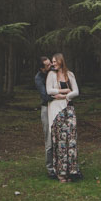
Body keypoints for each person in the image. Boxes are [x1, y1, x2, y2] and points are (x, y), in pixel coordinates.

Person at [46, 52, 80, 182]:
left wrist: (66, 96)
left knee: (71, 140)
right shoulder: (51, 75)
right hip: (56, 110)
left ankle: (71, 171)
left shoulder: (69, 74)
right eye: (52, 62)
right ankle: (60, 172)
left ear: (61, 61)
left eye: (55, 61)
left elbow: (76, 91)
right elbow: (49, 90)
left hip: (69, 109)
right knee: (60, 142)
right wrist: (63, 91)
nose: (53, 64)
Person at [34, 56, 64, 179]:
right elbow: (45, 96)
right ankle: (50, 168)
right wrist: (58, 95)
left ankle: (62, 165)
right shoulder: (39, 78)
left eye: (50, 64)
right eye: (47, 65)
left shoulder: (55, 72)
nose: (51, 66)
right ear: (42, 68)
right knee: (49, 139)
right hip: (47, 108)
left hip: (59, 107)